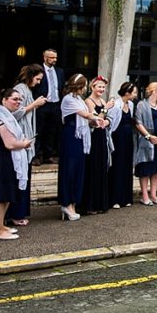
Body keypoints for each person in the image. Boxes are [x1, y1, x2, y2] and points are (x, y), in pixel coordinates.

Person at [0, 88, 33, 240]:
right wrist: (24, 144)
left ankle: (1, 226)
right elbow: (9, 143)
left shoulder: (7, 117)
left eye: (19, 100)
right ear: (4, 100)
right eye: (14, 99)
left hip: (6, 158)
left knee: (6, 194)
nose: (18, 102)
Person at [58, 73, 105, 221]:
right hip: (71, 135)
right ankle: (66, 203)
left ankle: (73, 203)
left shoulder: (79, 99)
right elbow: (84, 114)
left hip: (81, 136)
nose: (85, 89)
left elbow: (87, 118)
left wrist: (96, 121)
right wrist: (97, 117)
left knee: (78, 169)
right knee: (69, 169)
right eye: (84, 86)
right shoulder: (68, 99)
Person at [5, 64, 48, 226]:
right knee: (20, 177)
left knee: (24, 177)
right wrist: (35, 104)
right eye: (37, 79)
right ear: (31, 76)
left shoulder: (27, 90)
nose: (38, 83)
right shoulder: (20, 89)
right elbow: (14, 113)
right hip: (20, 138)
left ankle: (19, 212)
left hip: (27, 138)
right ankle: (15, 214)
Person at [79, 76, 115, 215]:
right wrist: (105, 109)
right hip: (93, 136)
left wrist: (107, 121)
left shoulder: (102, 100)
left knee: (102, 167)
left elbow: (104, 120)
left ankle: (101, 202)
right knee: (93, 167)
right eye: (99, 86)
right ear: (92, 87)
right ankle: (90, 204)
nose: (101, 89)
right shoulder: (89, 101)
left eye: (103, 87)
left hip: (102, 136)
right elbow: (95, 119)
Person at [134, 82, 157, 205]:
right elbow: (138, 123)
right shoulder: (142, 105)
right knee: (146, 168)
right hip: (147, 142)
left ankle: (153, 194)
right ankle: (144, 196)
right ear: (153, 91)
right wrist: (148, 136)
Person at [107, 82, 138, 209]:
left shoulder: (131, 104)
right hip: (117, 136)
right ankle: (115, 198)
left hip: (128, 137)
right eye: (134, 92)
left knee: (126, 165)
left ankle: (126, 197)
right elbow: (111, 123)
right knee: (117, 165)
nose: (135, 95)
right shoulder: (116, 105)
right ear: (127, 93)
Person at [31, 49, 64, 165]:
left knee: (52, 131)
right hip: (42, 104)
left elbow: (61, 87)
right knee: (39, 130)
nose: (54, 60)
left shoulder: (59, 71)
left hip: (55, 104)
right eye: (52, 58)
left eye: (55, 57)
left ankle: (48, 155)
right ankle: (37, 155)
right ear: (45, 58)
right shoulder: (39, 71)